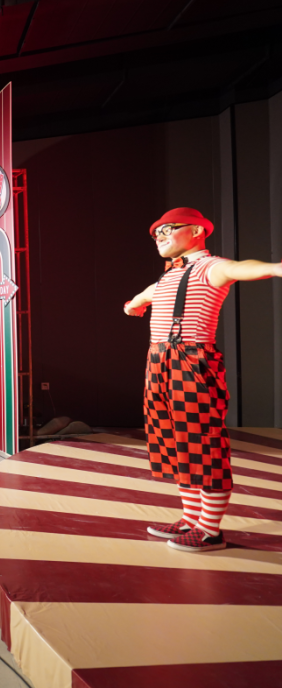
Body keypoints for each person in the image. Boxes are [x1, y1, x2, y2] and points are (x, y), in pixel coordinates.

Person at [124, 207, 282, 552]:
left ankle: (210, 530)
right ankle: (191, 519)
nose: (159, 236)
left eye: (167, 229)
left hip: (191, 361)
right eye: (156, 233)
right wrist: (134, 304)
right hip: (158, 362)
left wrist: (275, 268)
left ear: (196, 231)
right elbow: (147, 295)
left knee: (202, 444)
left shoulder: (210, 267)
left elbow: (241, 268)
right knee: (174, 444)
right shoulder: (168, 276)